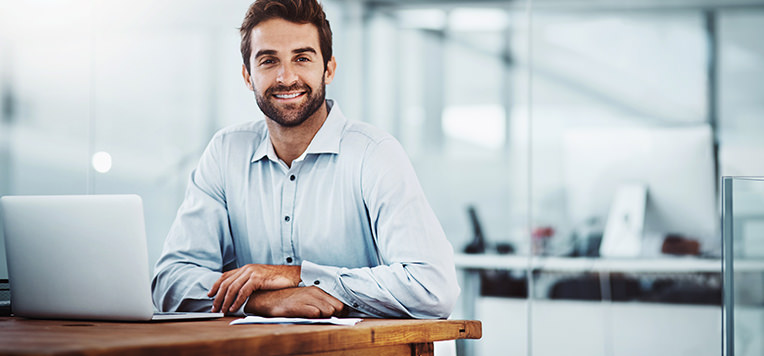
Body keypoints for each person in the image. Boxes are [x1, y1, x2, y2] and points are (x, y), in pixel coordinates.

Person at [151, 0, 459, 319]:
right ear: (248, 76)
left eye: (302, 58)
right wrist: (261, 301)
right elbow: (170, 284)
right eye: (269, 60)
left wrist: (297, 276)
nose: (286, 77)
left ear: (328, 68)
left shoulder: (374, 153)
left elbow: (433, 289)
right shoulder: (226, 152)